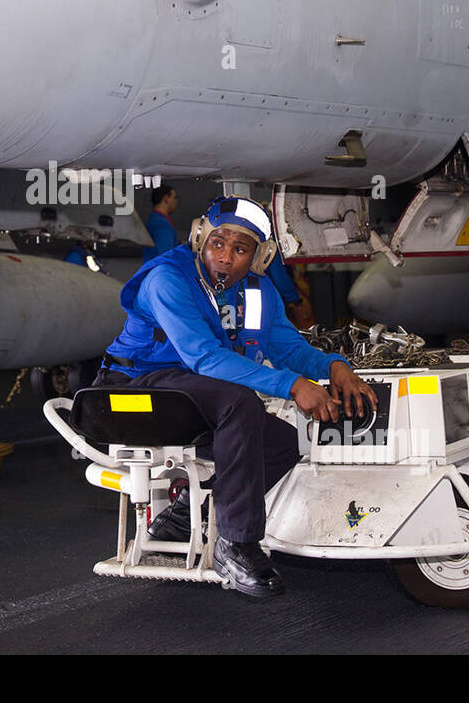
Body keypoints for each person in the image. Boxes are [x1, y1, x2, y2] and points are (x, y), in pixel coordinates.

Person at [94, 195, 376, 599]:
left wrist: (333, 367)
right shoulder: (167, 280)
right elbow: (205, 358)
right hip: (130, 393)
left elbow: (288, 348)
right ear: (199, 239)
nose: (226, 257)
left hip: (184, 392)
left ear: (259, 257)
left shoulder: (258, 292)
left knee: (281, 441)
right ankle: (236, 544)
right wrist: (293, 386)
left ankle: (184, 517)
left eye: (240, 249)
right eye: (218, 243)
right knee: (238, 400)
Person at [142, 185, 179, 263]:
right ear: (166, 199)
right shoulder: (161, 225)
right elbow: (166, 256)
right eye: (174, 198)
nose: (176, 201)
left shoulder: (154, 220)